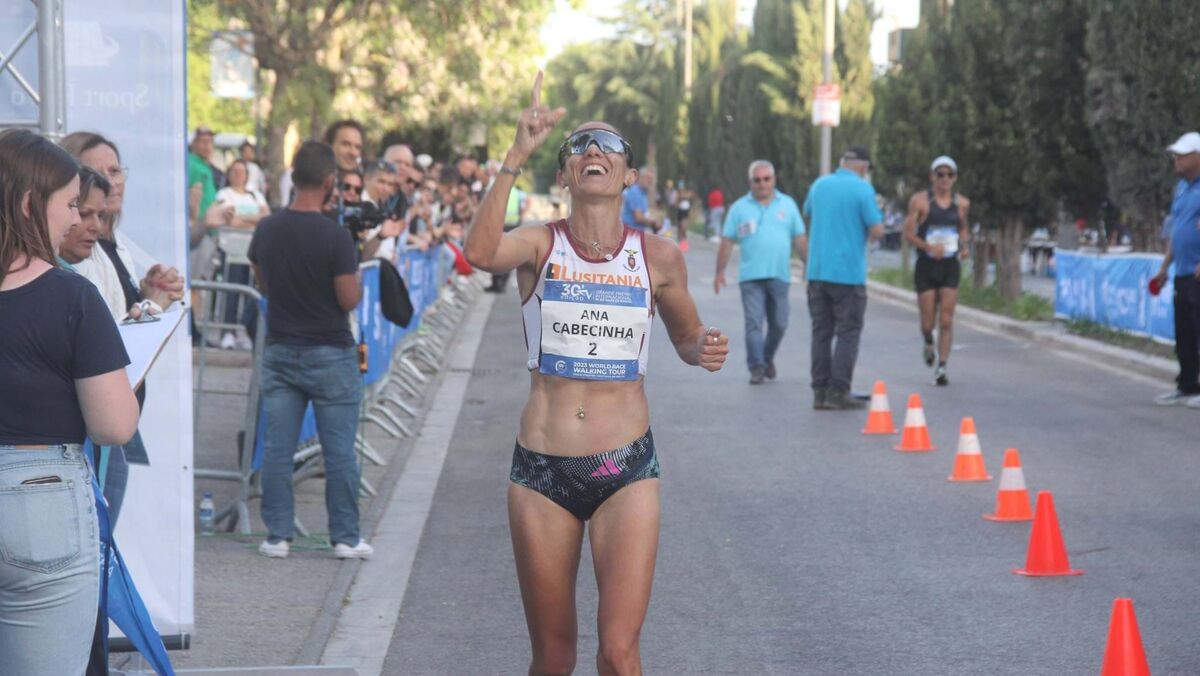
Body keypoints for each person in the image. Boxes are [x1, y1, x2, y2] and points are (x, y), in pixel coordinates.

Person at [463, 73, 729, 675]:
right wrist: (515, 154)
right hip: (543, 469)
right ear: (564, 174)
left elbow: (686, 336)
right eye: (578, 145)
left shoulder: (658, 257)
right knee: (554, 656)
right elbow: (478, 253)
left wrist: (703, 348)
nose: (592, 150)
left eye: (608, 145)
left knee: (619, 651)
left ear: (629, 175)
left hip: (625, 466)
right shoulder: (538, 245)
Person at [0, 128, 139, 676]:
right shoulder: (73, 295)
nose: (78, 218)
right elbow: (114, 426)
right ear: (30, 205)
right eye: (71, 204)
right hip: (42, 503)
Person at [248, 140, 373, 559]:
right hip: (330, 352)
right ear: (330, 181)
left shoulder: (267, 228)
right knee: (339, 452)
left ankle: (278, 535)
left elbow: (262, 281)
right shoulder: (336, 237)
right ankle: (345, 537)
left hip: (281, 348)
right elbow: (348, 299)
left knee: (278, 449)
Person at [802, 146, 884, 410]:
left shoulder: (819, 185)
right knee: (848, 332)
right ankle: (838, 391)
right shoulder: (863, 189)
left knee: (821, 332)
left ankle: (819, 391)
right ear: (864, 167)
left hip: (817, 271)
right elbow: (877, 230)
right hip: (848, 275)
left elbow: (808, 212)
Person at [714, 160, 808, 384]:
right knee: (754, 323)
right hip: (751, 277)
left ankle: (767, 357)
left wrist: (808, 265)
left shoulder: (788, 204)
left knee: (780, 323)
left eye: (766, 179)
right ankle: (756, 367)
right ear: (751, 182)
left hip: (780, 275)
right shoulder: (739, 208)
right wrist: (719, 272)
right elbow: (727, 241)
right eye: (757, 180)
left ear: (773, 180)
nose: (762, 184)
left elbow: (800, 237)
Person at [902, 155, 971, 386]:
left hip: (950, 265)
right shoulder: (920, 202)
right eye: (940, 174)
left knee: (947, 320)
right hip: (927, 266)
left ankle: (942, 367)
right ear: (933, 177)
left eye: (949, 175)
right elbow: (908, 233)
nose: (945, 179)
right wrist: (928, 247)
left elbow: (963, 228)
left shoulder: (962, 204)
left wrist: (964, 246)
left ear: (955, 178)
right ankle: (928, 341)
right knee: (927, 323)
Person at [1152, 131, 1200, 407]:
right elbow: (1176, 231)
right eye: (1175, 155)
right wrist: (1163, 268)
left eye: (1182, 155)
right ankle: (1187, 385)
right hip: (1182, 272)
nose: (1176, 160)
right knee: (1184, 332)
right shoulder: (1181, 188)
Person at [486, 184, 528, 293]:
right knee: (508, 253)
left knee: (495, 252)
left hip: (500, 223)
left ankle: (495, 283)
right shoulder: (518, 193)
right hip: (513, 224)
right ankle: (502, 284)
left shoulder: (499, 189)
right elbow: (523, 207)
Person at [620, 164, 657, 232]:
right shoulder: (635, 192)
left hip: (637, 231)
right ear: (641, 177)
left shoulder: (643, 193)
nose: (649, 181)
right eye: (648, 178)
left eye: (651, 179)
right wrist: (653, 222)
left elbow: (645, 213)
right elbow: (638, 217)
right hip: (630, 232)